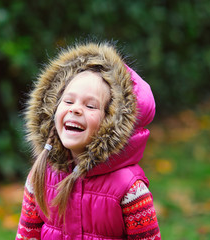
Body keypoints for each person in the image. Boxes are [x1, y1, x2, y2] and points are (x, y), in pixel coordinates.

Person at [16, 41, 161, 240]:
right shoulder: (40, 176)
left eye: (91, 106)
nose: (75, 109)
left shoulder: (129, 189)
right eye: (68, 101)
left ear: (109, 122)